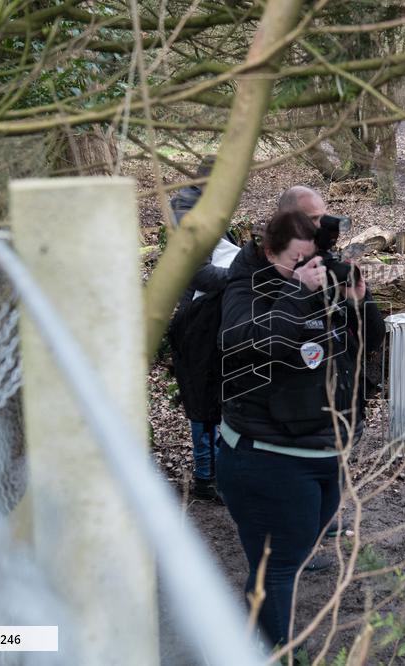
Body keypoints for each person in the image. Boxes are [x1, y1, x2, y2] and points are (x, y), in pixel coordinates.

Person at [216, 209, 384, 650]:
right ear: (269, 252)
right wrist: (296, 292)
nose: (310, 269)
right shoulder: (247, 287)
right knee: (278, 567)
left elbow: (365, 344)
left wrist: (360, 302)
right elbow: (244, 342)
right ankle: (275, 652)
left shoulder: (318, 279)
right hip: (270, 456)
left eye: (314, 259)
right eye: (297, 260)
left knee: (288, 556)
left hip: (324, 450)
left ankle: (257, 639)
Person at [166, 156, 240, 501]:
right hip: (196, 320)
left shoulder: (206, 208)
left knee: (213, 393)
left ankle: (215, 474)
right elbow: (197, 273)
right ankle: (208, 476)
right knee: (202, 395)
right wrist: (241, 276)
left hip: (210, 317)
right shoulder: (190, 212)